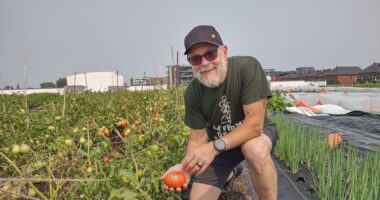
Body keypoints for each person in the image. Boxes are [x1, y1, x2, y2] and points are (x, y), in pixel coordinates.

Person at [161, 25, 278, 200]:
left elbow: (254, 125)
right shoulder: (193, 92)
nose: (205, 63)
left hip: (254, 136)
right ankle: (231, 173)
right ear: (191, 64)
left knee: (254, 149)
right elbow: (197, 139)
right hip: (222, 149)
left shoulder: (247, 67)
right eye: (196, 59)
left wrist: (214, 147)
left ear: (224, 51)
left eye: (210, 54)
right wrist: (185, 169)